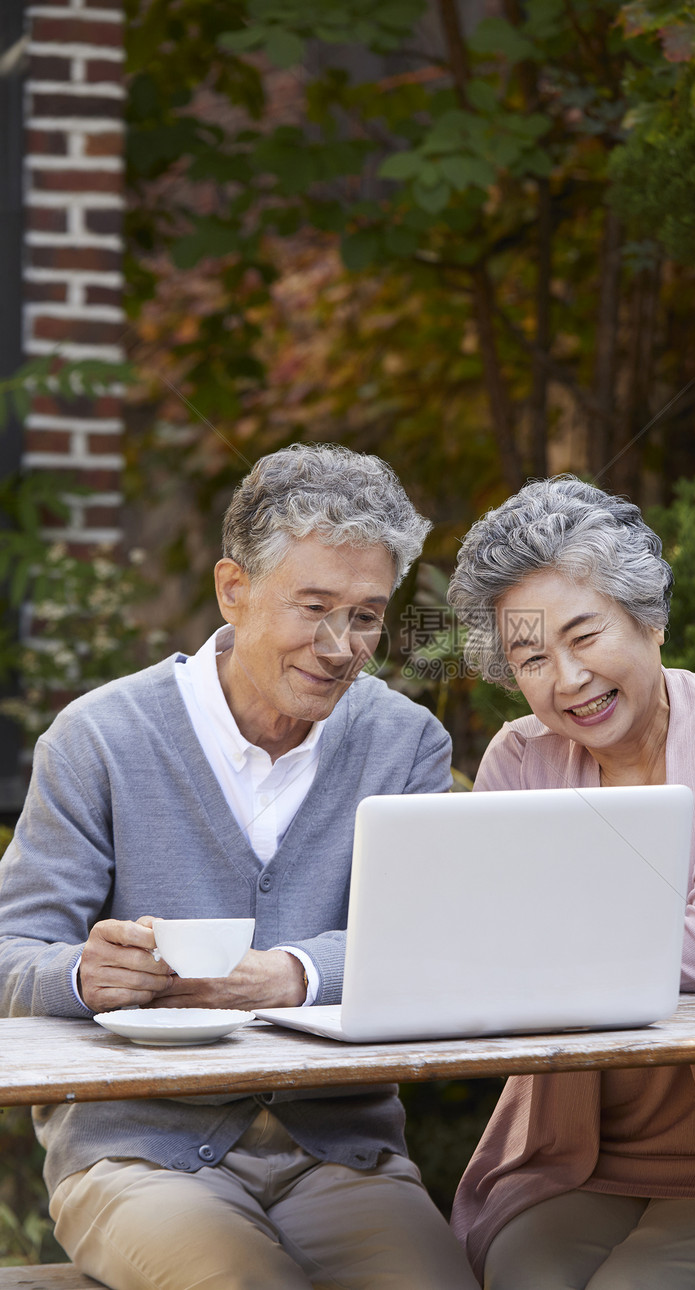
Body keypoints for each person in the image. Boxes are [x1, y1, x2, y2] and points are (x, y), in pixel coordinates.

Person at [0, 444, 479, 1290]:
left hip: (341, 1154)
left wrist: (290, 976)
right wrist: (84, 974)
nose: (340, 646)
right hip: (137, 1155)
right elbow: (11, 956)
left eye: (366, 616)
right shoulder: (99, 737)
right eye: (315, 607)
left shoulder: (404, 743)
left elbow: (430, 949)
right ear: (233, 589)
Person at [446, 475, 695, 1290]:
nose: (566, 680)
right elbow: (466, 955)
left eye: (583, 634)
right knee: (519, 1277)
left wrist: (528, 949)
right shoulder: (519, 760)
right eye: (531, 658)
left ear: (650, 619)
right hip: (575, 1154)